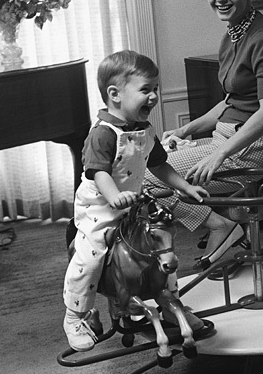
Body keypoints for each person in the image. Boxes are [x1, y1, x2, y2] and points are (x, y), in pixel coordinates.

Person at [145, 0, 263, 268]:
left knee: (149, 178)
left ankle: (222, 227)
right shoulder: (233, 33)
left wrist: (219, 153)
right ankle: (223, 229)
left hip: (250, 147)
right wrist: (186, 129)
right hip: (226, 138)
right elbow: (231, 101)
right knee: (153, 162)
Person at [63, 50, 208, 352]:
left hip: (132, 205)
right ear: (114, 94)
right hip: (99, 208)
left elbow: (159, 165)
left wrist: (184, 187)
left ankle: (169, 303)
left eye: (155, 89)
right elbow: (98, 173)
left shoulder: (145, 131)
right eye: (146, 90)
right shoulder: (103, 134)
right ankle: (74, 315)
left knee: (160, 250)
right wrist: (115, 197)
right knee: (90, 258)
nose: (154, 96)